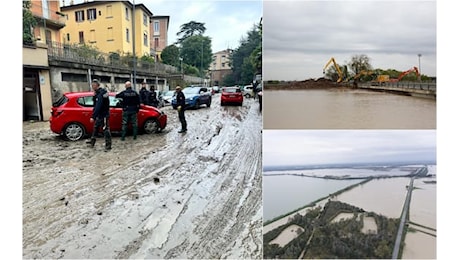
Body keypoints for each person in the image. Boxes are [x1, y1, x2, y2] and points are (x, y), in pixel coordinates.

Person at [87, 79, 112, 151]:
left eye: (93, 85)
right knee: (96, 128)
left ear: (97, 85)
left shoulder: (101, 94)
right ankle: (92, 142)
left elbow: (98, 106)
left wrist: (93, 116)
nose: (92, 87)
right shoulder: (99, 93)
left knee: (106, 129)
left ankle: (108, 146)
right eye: (92, 85)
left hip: (103, 115)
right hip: (100, 114)